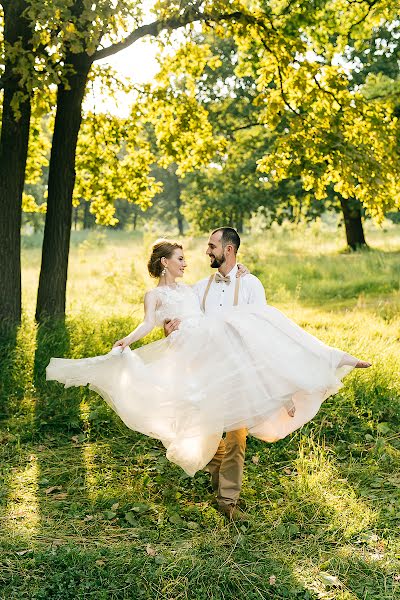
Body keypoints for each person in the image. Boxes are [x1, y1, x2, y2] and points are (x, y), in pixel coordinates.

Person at [46, 233, 371, 520]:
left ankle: (320, 363)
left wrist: (242, 274)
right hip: (201, 358)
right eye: (182, 257)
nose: (193, 259)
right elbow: (151, 322)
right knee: (211, 428)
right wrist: (134, 338)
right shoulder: (193, 288)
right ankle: (223, 494)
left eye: (208, 248)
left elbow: (255, 332)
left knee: (261, 331)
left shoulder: (241, 283)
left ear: (227, 251)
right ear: (164, 263)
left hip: (230, 356)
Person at [164, 227, 268, 518]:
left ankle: (228, 501)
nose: (207, 251)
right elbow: (184, 322)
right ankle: (219, 476)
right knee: (204, 432)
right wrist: (170, 330)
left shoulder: (251, 286)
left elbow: (261, 329)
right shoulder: (200, 288)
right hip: (206, 373)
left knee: (237, 437)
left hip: (239, 372)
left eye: (212, 246)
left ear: (229, 250)